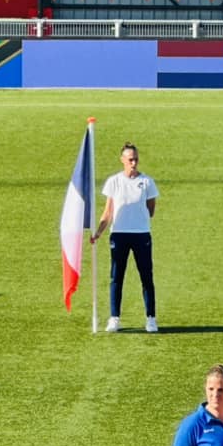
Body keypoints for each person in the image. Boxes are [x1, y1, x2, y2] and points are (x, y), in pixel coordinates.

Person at [91, 142, 159, 333]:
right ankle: (114, 318)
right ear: (123, 160)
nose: (134, 163)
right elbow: (108, 212)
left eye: (136, 159)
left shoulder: (147, 182)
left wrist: (139, 220)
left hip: (141, 234)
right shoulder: (114, 182)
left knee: (146, 276)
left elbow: (151, 208)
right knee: (116, 277)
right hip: (119, 235)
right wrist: (98, 232)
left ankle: (151, 318)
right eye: (130, 159)